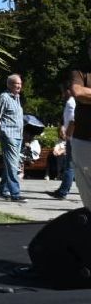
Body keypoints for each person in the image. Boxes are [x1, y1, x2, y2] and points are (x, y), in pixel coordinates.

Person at [0, 74, 26, 202]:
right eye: (16, 83)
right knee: (13, 166)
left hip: (18, 136)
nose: (18, 86)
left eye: (20, 84)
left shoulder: (17, 98)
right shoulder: (4, 98)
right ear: (9, 84)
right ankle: (15, 194)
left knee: (10, 165)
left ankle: (1, 191)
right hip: (9, 135)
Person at [68, 36, 91, 210]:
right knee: (87, 193)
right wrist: (84, 94)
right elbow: (78, 92)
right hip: (83, 141)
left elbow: (85, 94)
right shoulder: (79, 72)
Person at [49, 85, 76, 199]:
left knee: (69, 166)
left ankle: (63, 191)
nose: (62, 94)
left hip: (73, 138)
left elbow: (72, 120)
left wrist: (67, 134)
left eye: (63, 91)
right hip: (75, 137)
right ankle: (63, 189)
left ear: (68, 91)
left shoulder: (71, 103)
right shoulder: (72, 102)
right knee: (70, 165)